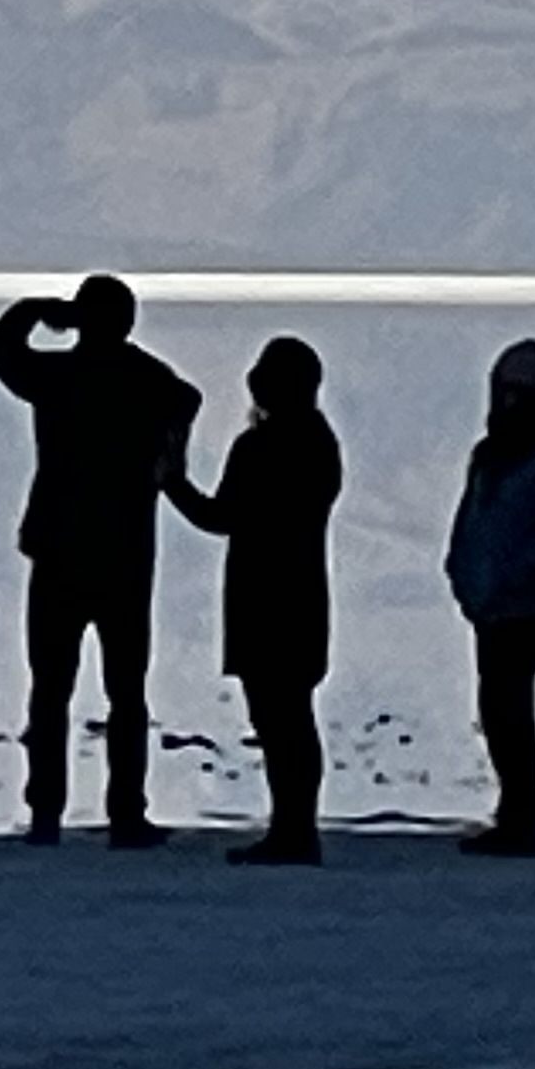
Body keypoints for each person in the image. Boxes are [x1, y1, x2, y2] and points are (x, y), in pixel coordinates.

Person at [0, 273, 203, 846]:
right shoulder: (149, 380)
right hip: (123, 551)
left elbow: (0, 348)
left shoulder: (59, 376)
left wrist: (35, 308)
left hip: (63, 549)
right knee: (123, 690)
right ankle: (124, 812)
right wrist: (167, 454)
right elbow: (188, 400)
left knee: (54, 688)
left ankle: (48, 814)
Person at [167, 333, 343, 865]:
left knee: (280, 719)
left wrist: (172, 482)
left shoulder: (267, 446)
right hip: (295, 596)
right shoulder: (316, 442)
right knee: (288, 717)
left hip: (267, 598)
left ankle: (293, 829)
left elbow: (222, 516)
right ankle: (294, 825)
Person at [442, 334, 535, 858]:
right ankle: (515, 807)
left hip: (529, 603)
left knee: (507, 701)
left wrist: (515, 576)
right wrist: (460, 570)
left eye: (520, 391)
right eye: (505, 389)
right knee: (497, 703)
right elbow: (471, 520)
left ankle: (521, 813)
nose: (510, 400)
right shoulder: (489, 453)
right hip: (488, 600)